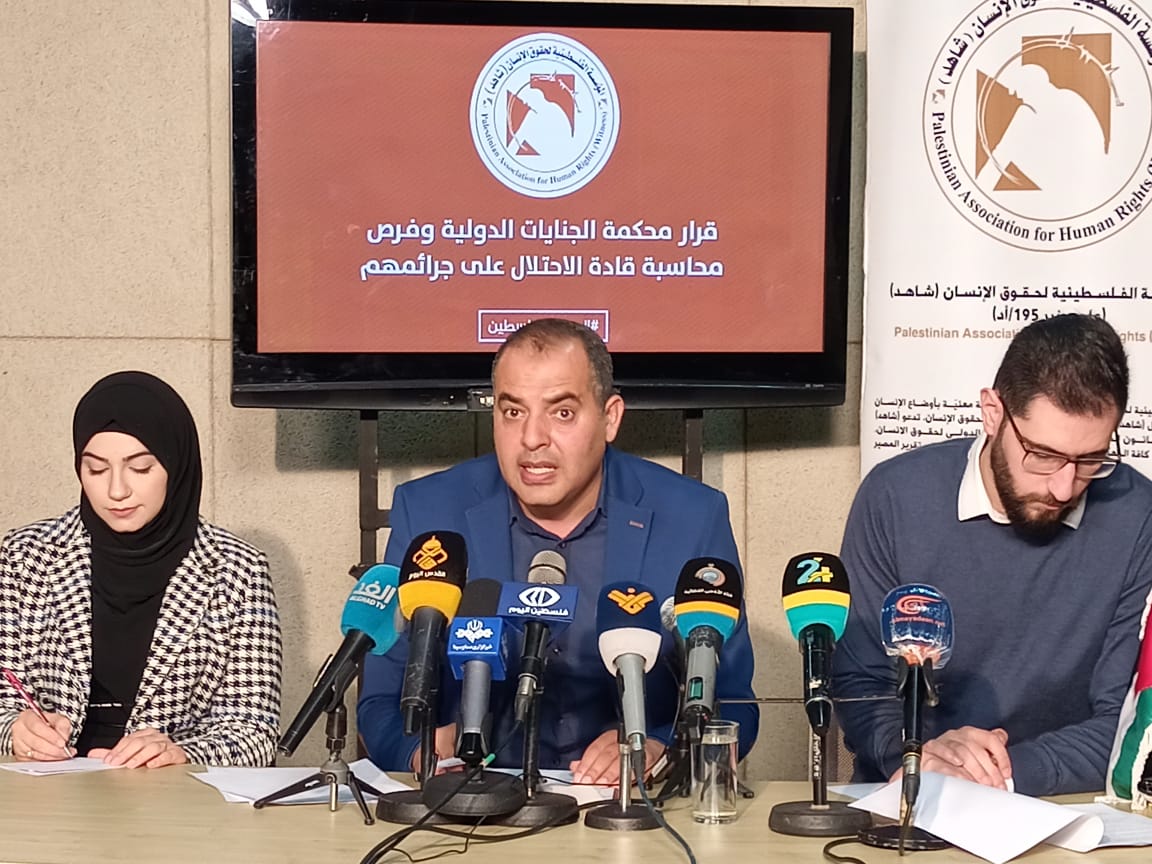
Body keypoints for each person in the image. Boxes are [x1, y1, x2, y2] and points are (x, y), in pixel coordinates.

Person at [358, 319, 758, 781]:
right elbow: (379, 702)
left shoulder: (692, 517)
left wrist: (662, 749)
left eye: (562, 413)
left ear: (610, 418)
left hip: (627, 810)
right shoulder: (430, 512)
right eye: (513, 412)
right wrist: (420, 752)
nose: (532, 438)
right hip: (473, 800)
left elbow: (735, 704)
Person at [832, 314, 1152, 796]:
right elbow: (862, 681)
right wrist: (919, 758)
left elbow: (1129, 718)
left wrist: (994, 774)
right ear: (992, 412)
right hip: (912, 792)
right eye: (1043, 455)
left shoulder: (1138, 516)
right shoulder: (895, 497)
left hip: (1063, 803)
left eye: (1091, 459)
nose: (1064, 486)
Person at [0, 371, 282, 768]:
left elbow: (255, 733)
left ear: (175, 465)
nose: (117, 490)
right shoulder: (25, 557)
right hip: (49, 789)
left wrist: (182, 753)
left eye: (141, 468)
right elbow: (4, 700)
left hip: (171, 796)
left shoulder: (237, 570)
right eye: (96, 470)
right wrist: (14, 730)